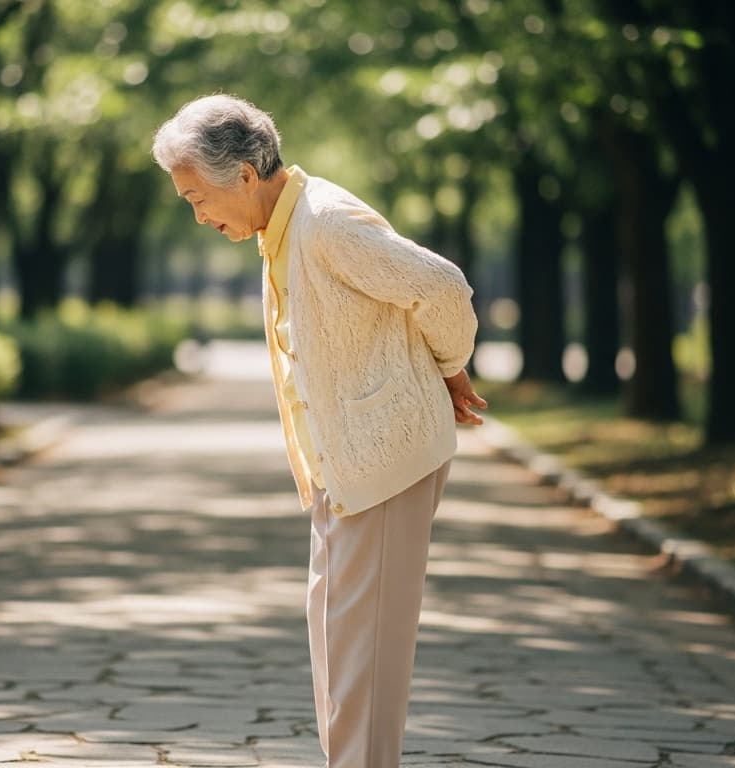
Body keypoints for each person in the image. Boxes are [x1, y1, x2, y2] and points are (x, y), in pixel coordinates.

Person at [151, 94, 486, 767]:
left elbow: (443, 287)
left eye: (197, 198)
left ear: (244, 176)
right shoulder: (282, 230)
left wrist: (450, 370)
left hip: (385, 460)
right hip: (344, 467)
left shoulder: (326, 222)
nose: (199, 216)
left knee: (364, 653)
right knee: (337, 642)